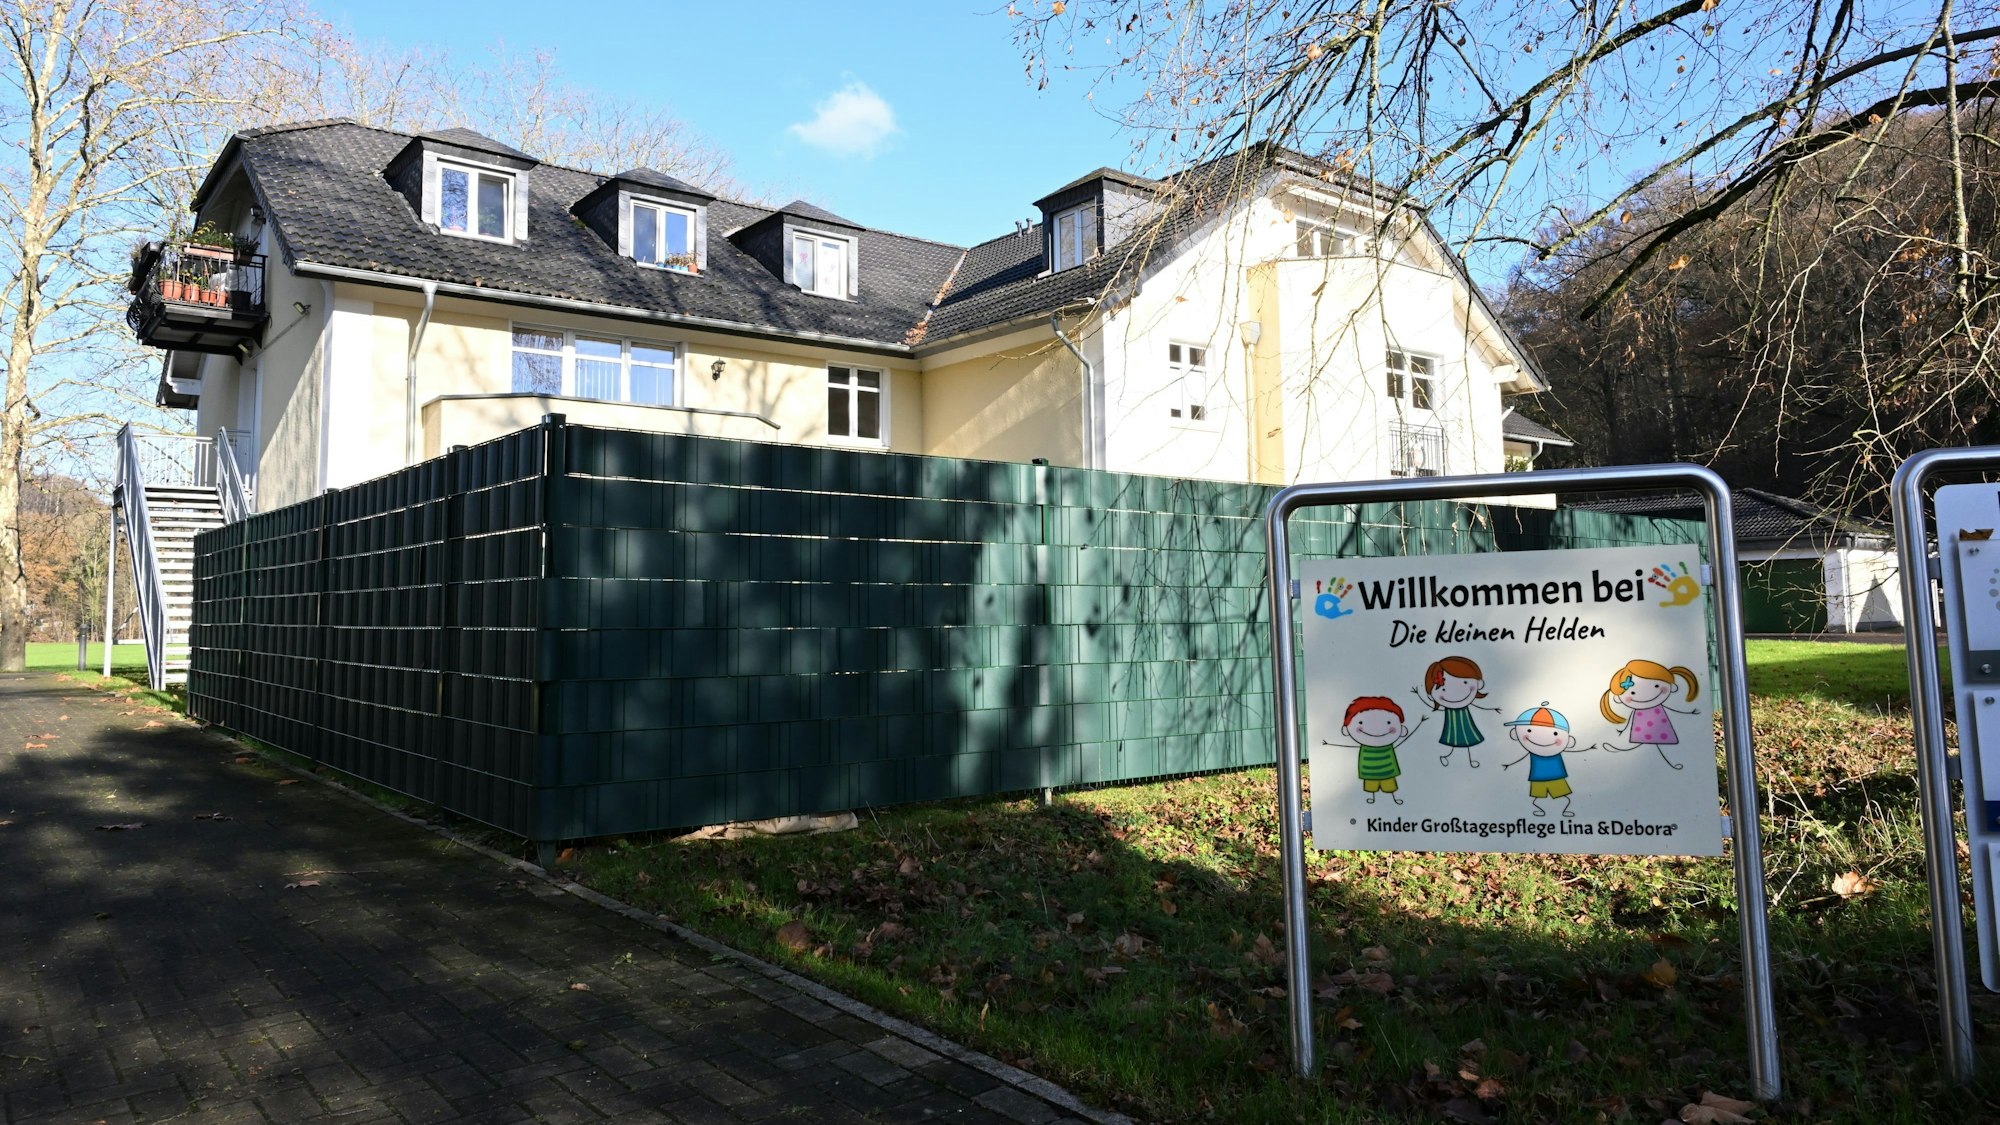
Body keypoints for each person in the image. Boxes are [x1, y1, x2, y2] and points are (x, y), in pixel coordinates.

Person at [1323, 696, 1427, 805]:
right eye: (1361, 722)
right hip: (1369, 770)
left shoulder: (1388, 745)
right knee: (1371, 785)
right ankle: (1372, 799)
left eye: (1388, 722)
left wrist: (1420, 723)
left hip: (1388, 769)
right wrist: (1329, 744)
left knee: (1389, 784)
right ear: (1346, 729)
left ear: (1402, 729)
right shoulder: (1366, 747)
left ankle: (1394, 798)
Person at [1599, 659, 1701, 770]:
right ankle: (1629, 749)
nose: (1643, 696)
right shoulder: (1638, 712)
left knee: (1660, 747)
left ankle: (1669, 762)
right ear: (1618, 698)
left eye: (1656, 686)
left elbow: (1673, 709)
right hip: (1643, 725)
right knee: (1641, 745)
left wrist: (1689, 712)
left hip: (1661, 726)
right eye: (1633, 693)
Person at [1501, 701, 1590, 819]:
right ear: (1514, 733)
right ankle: (1541, 811)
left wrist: (1588, 748)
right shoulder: (1533, 752)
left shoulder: (1555, 751)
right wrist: (1509, 764)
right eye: (1529, 730)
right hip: (1537, 777)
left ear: (1569, 741)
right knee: (1537, 798)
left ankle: (1564, 811)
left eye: (1555, 733)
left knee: (1562, 796)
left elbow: (1572, 751)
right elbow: (1522, 757)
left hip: (1556, 776)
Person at [1414, 655, 1504, 768]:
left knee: (1467, 738)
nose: (1455, 693)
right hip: (1451, 721)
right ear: (1431, 695)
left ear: (1478, 683)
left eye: (1465, 683)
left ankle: (1470, 758)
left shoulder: (1465, 704)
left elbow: (1479, 707)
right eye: (1444, 689)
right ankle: (1450, 755)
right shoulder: (1447, 707)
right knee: (1453, 739)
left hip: (1465, 720)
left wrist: (1491, 709)